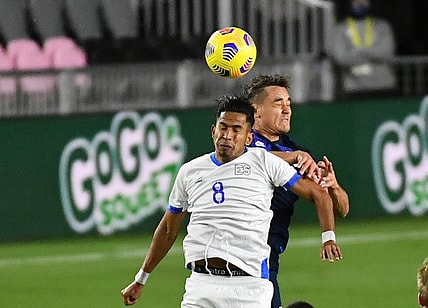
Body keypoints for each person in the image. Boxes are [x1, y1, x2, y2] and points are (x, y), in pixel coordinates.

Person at [121, 94, 342, 307]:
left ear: (249, 137)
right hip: (200, 285)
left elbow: (318, 193)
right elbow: (169, 229)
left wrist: (328, 237)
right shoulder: (190, 171)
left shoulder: (263, 162)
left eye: (236, 130)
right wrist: (141, 278)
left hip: (248, 287)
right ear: (213, 131)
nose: (227, 135)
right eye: (223, 127)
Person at [245, 74, 349, 308]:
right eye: (278, 103)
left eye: (289, 103)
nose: (286, 110)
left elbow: (342, 209)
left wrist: (332, 186)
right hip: (238, 252)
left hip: (267, 258)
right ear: (256, 111)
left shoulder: (297, 153)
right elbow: (246, 159)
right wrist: (293, 157)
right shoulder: (243, 140)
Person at [328, 0, 397, 99]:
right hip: (354, 90)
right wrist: (372, 52)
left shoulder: (383, 26)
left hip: (384, 87)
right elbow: (341, 58)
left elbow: (387, 53)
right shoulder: (339, 30)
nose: (360, 3)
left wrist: (358, 51)